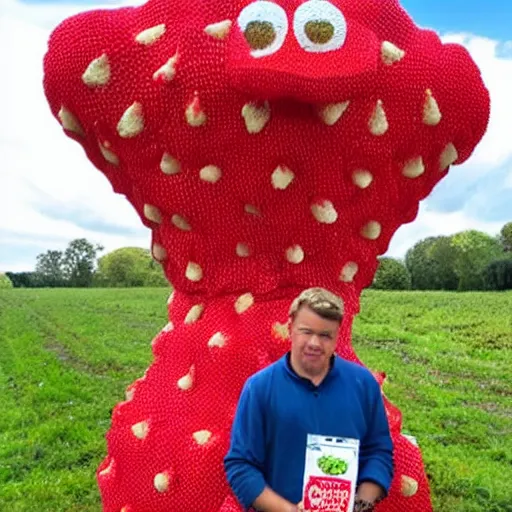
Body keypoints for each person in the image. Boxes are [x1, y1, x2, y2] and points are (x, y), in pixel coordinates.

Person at [223, 287, 394, 512]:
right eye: (306, 331)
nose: (314, 343)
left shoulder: (363, 384)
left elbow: (379, 452)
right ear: (290, 327)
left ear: (337, 336)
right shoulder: (259, 388)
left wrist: (360, 505)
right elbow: (241, 465)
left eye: (325, 335)